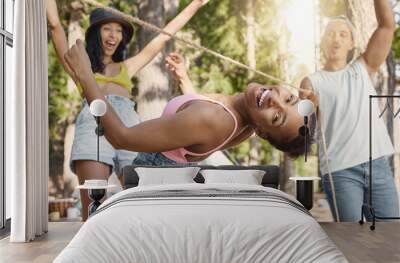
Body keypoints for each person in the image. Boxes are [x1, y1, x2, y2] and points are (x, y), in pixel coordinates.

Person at [46, 0, 210, 220]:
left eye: (119, 30)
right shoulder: (80, 67)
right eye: (107, 28)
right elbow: (55, 26)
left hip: (129, 126)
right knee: (93, 210)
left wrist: (196, 4)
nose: (113, 35)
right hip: (93, 127)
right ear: (96, 33)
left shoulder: (127, 67)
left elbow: (164, 36)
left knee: (138, 202)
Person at [63, 40, 318, 169]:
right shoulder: (244, 121)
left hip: (145, 179)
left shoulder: (214, 119)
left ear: (263, 132)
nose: (275, 99)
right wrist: (184, 80)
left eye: (277, 117)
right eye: (289, 99)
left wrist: (86, 76)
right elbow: (194, 134)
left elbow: (122, 137)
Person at [300, 0, 399, 221]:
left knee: (392, 238)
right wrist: (310, 108)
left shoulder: (363, 67)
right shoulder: (311, 82)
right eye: (331, 34)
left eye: (343, 34)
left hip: (377, 166)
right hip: (340, 172)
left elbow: (386, 26)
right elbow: (304, 129)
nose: (336, 38)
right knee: (354, 240)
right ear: (323, 42)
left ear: (353, 43)